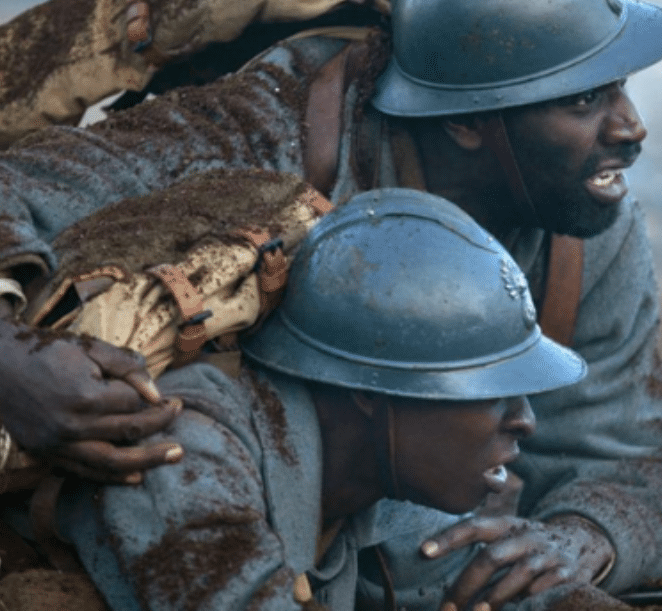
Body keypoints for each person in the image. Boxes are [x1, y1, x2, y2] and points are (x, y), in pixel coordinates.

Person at [0, 0, 662, 605]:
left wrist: (578, 542)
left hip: (397, 548)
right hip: (173, 497)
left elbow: (642, 466)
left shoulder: (583, 228)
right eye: (582, 100)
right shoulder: (257, 138)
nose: (631, 127)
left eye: (620, 88)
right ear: (470, 123)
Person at [52, 188, 587, 610]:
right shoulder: (183, 454)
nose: (525, 422)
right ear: (370, 391)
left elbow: (497, 582)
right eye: (493, 391)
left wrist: (550, 571)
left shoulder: (375, 478)